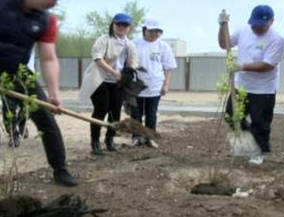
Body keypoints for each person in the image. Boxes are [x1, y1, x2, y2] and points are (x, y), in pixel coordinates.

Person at [0, 0, 77, 186]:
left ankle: (60, 169)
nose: (55, 2)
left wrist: (54, 94)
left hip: (16, 71)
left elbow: (48, 58)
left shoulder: (47, 20)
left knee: (46, 118)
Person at [218, 5, 284, 164]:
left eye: (261, 25)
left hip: (264, 89)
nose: (257, 28)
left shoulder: (277, 39)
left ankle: (259, 151)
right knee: (231, 115)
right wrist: (222, 26)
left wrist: (242, 66)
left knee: (260, 122)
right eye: (254, 24)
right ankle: (249, 142)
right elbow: (224, 43)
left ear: (271, 22)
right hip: (242, 86)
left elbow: (268, 65)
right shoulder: (243, 31)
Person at [79, 13, 137, 155]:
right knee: (101, 109)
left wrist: (128, 74)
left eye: (125, 25)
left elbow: (133, 62)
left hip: (117, 83)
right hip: (100, 79)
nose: (121, 27)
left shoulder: (130, 44)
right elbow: (98, 58)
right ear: (113, 25)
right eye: (119, 24)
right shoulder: (104, 40)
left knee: (115, 111)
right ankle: (95, 142)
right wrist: (113, 72)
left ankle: (110, 140)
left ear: (129, 27)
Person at [131, 19, 177, 147]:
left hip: (155, 85)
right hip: (137, 85)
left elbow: (168, 67)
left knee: (151, 113)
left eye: (158, 31)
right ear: (145, 30)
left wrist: (166, 84)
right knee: (136, 113)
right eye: (152, 31)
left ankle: (150, 137)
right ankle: (137, 137)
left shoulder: (163, 46)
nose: (155, 34)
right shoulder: (134, 44)